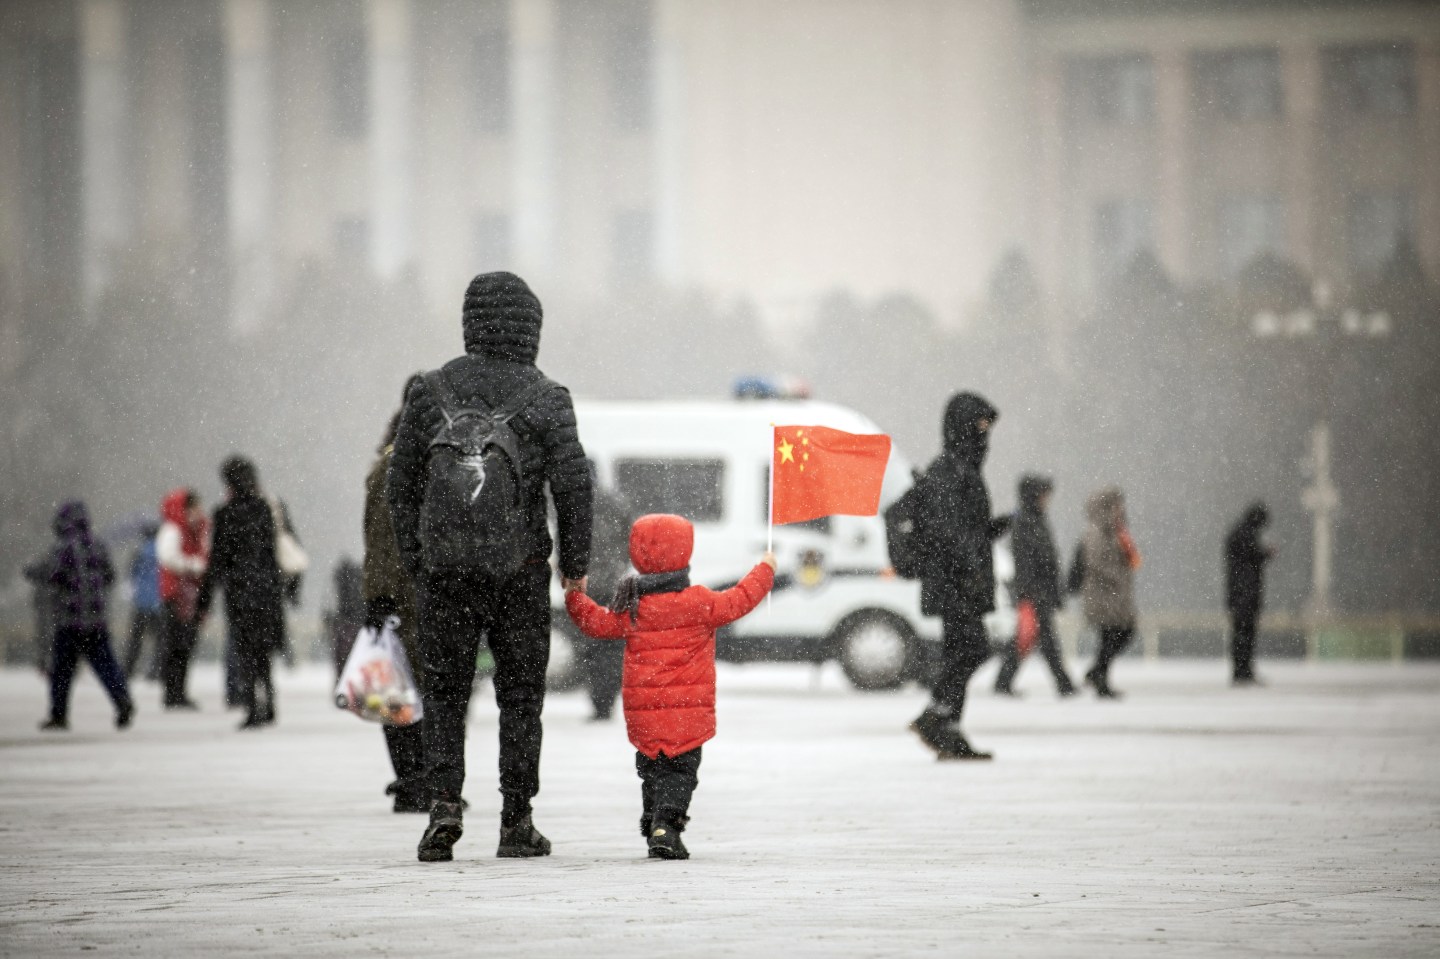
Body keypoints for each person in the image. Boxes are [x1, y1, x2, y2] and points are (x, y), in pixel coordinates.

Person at [388, 271, 593, 863]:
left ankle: (443, 809)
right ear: (531, 327)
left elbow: (401, 484)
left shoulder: (430, 391)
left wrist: (419, 559)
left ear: (470, 322)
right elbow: (575, 487)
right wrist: (574, 567)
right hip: (519, 572)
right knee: (521, 699)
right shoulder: (549, 397)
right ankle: (516, 820)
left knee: (446, 694)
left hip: (446, 575)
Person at [565, 514, 776, 860]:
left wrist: (575, 595)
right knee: (680, 773)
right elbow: (741, 599)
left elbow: (595, 622)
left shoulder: (632, 607)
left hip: (644, 716)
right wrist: (765, 569)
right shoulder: (700, 603)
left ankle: (654, 820)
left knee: (653, 771)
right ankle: (666, 825)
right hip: (688, 716)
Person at [909, 392, 1009, 761]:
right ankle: (937, 715)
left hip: (962, 578)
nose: (985, 433)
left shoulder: (962, 468)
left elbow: (963, 528)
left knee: (962, 650)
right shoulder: (949, 470)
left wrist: (990, 530)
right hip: (955, 581)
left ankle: (947, 725)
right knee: (972, 649)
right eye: (980, 424)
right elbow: (946, 531)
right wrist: (974, 547)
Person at [364, 381, 429, 813]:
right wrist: (381, 596)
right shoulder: (397, 466)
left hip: (417, 594)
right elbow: (382, 540)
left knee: (410, 690)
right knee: (402, 691)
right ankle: (415, 780)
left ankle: (422, 779)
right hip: (406, 597)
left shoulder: (408, 460)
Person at [26, 501, 134, 731]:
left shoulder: (61, 549)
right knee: (106, 665)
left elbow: (51, 576)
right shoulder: (98, 546)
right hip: (96, 618)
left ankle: (59, 714)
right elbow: (110, 576)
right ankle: (121, 698)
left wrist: (34, 572)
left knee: (62, 670)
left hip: (69, 619)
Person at [199, 457, 286, 730]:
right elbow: (271, 552)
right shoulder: (263, 509)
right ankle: (269, 701)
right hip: (265, 590)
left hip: (239, 592)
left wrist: (205, 598)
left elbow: (217, 560)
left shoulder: (224, 514)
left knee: (245, 651)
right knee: (263, 651)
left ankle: (252, 705)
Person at [994, 475, 1075, 697]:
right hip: (1034, 592)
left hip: (1037, 591)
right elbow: (1029, 561)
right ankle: (1063, 683)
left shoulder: (1034, 520)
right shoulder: (1027, 522)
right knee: (1042, 639)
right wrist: (1033, 590)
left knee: (1030, 638)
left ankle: (1004, 681)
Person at [1071, 486, 1141, 699]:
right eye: (1116, 504)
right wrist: (1118, 577)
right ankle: (1100, 678)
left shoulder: (1118, 531)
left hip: (1115, 596)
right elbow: (1096, 562)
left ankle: (1098, 674)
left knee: (1117, 635)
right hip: (1103, 596)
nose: (1120, 509)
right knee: (1113, 636)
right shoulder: (1096, 532)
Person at [580, 474, 635, 721]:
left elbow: (565, 541)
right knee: (612, 643)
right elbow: (629, 540)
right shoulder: (616, 501)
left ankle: (598, 699)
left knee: (591, 642)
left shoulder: (577, 501)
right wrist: (620, 567)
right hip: (614, 583)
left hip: (586, 583)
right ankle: (607, 698)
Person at [157, 488, 209, 710]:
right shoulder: (173, 530)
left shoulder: (196, 530)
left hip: (190, 594)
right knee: (176, 644)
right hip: (176, 595)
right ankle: (172, 691)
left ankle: (178, 690)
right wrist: (192, 565)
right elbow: (168, 558)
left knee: (185, 644)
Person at [1224, 502, 1273, 687]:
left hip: (1239, 593)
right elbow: (1251, 556)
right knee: (1245, 634)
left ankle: (1241, 670)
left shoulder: (1239, 533)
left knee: (1242, 633)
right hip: (1245, 593)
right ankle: (1243, 671)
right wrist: (1264, 554)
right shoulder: (1245, 535)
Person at [123, 522, 164, 680]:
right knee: (159, 640)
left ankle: (128, 668)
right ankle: (156, 670)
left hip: (141, 602)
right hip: (158, 601)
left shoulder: (139, 552)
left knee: (135, 639)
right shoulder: (162, 551)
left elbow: (132, 574)